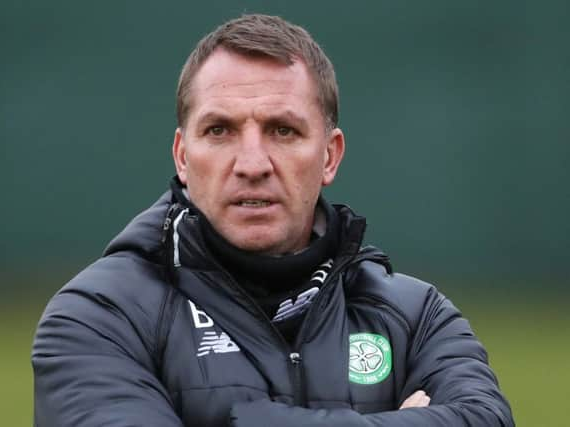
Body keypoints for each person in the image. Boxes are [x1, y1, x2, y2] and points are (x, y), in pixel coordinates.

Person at [32, 14, 514, 426]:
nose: (252, 163)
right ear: (182, 156)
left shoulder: (414, 317)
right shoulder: (99, 316)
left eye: (282, 131)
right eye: (219, 130)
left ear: (329, 156)